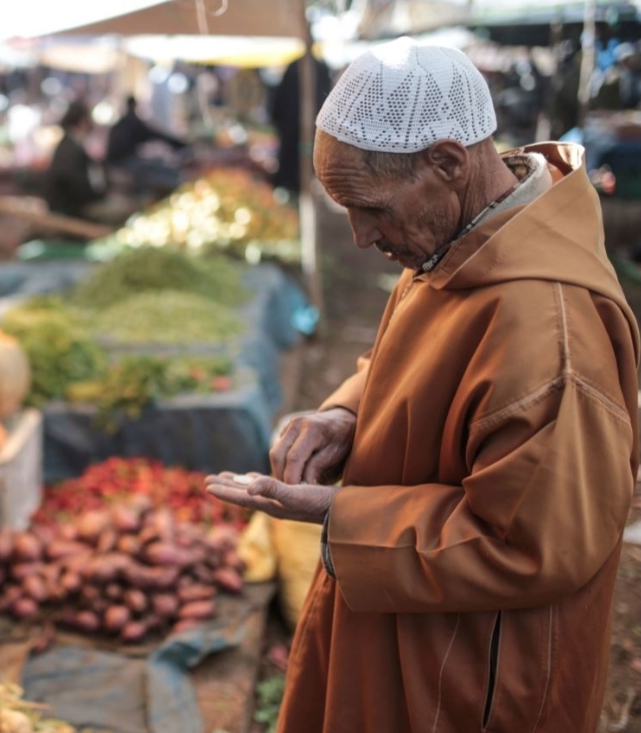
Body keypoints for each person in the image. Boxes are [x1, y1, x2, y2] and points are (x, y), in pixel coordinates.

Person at [207, 40, 638, 733]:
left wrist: (337, 512)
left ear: (445, 161)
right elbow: (412, 358)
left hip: (469, 681)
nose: (357, 235)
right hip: (409, 633)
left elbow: (528, 543)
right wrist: (345, 414)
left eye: (369, 207)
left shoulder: (549, 334)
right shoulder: (465, 233)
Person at [43, 101, 132, 226]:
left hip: (73, 206)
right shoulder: (70, 148)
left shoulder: (69, 144)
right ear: (82, 122)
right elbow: (77, 185)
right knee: (127, 211)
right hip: (74, 210)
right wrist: (100, 195)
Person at [268, 52, 333, 196]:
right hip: (301, 136)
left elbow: (277, 108)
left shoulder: (308, 68)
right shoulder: (305, 68)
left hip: (305, 135)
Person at [106, 96, 187, 195]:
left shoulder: (122, 123)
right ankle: (179, 188)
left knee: (156, 163)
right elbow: (155, 134)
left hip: (119, 161)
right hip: (122, 163)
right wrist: (180, 144)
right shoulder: (132, 122)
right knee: (156, 169)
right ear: (135, 105)